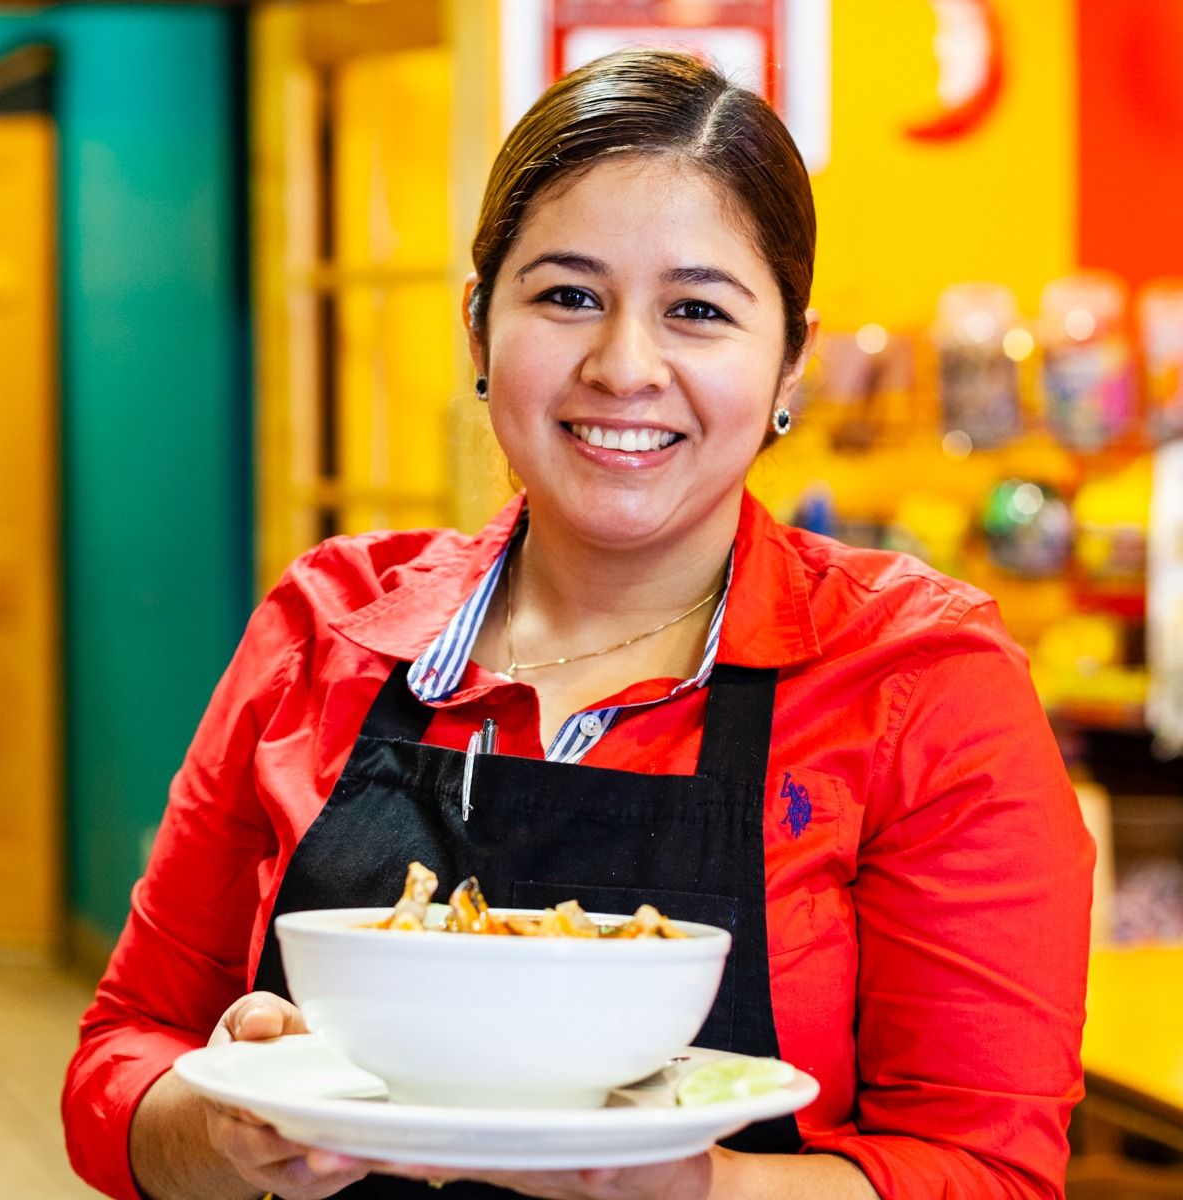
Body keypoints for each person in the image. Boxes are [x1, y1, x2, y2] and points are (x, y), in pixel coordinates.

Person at [63, 48, 1093, 1200]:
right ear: (477, 329)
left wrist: (697, 1188)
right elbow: (124, 1057)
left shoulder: (926, 680)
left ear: (791, 358)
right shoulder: (325, 626)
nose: (625, 365)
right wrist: (222, 1127)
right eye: (568, 295)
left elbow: (988, 1171)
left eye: (698, 309)